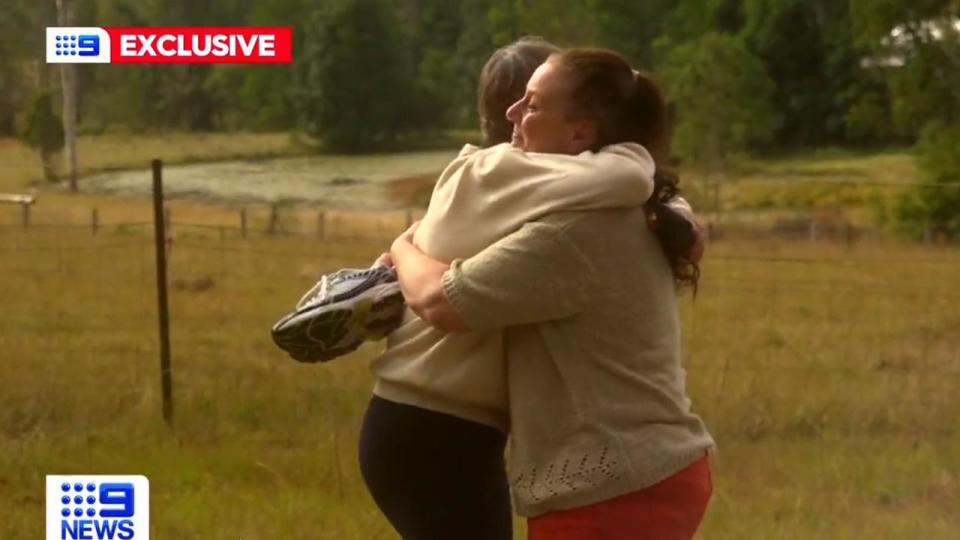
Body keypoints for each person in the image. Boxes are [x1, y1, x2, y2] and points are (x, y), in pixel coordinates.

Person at [388, 47, 714, 540]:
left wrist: (402, 244)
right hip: (642, 471)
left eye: (534, 104)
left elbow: (441, 300)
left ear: (580, 132)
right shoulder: (624, 203)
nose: (512, 114)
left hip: (613, 486)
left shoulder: (573, 234)